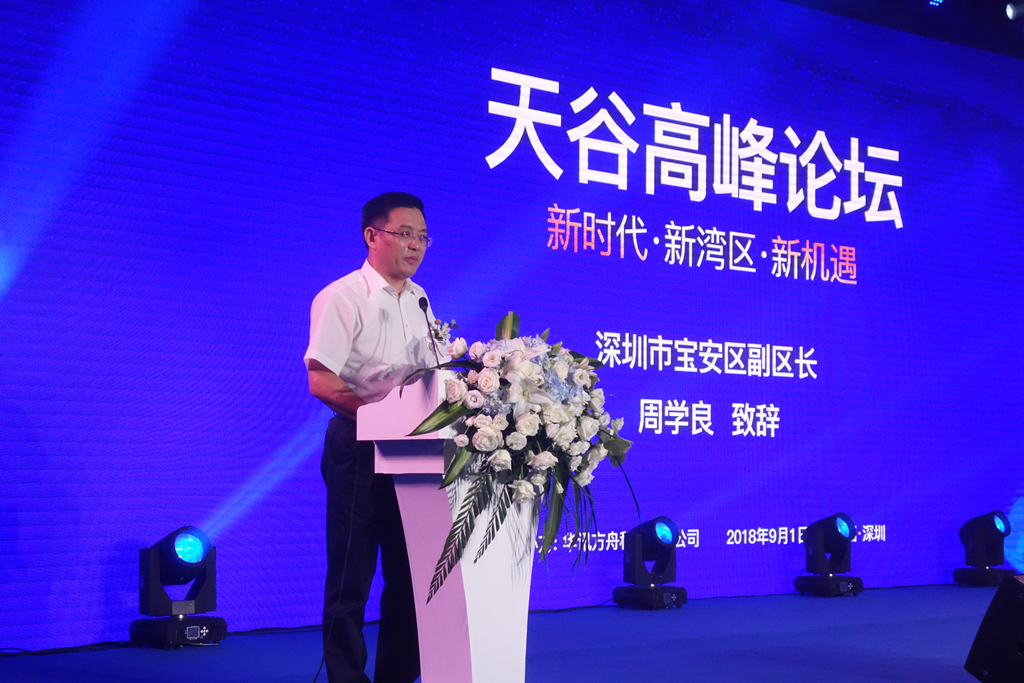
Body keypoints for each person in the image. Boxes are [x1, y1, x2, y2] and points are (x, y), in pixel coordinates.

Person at [304, 191, 438, 683]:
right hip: (358, 447)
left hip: (413, 453)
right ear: (372, 236)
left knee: (410, 577)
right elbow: (321, 380)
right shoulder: (342, 297)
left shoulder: (420, 300)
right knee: (351, 579)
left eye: (422, 237)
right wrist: (379, 421)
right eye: (405, 234)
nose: (416, 245)